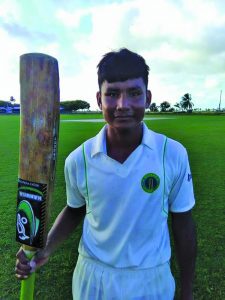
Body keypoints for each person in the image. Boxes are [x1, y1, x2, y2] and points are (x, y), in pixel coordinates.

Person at [16, 48, 197, 300]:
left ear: (147, 98)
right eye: (112, 94)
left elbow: (183, 222)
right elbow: (75, 208)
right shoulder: (79, 159)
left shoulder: (172, 154)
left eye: (134, 93)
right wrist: (45, 248)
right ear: (99, 100)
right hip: (93, 279)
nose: (123, 105)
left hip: (151, 279)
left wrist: (186, 290)